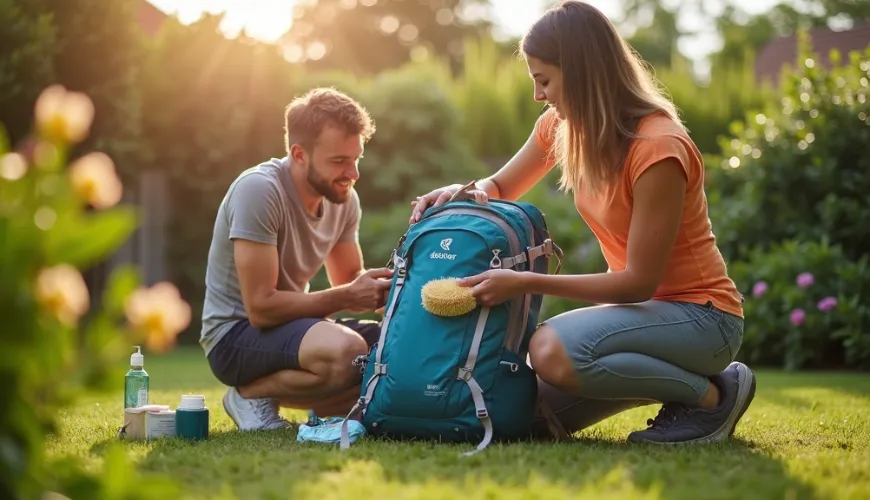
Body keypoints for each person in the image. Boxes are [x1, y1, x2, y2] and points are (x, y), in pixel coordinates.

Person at [409, 0, 755, 445]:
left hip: (702, 319)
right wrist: (458, 192)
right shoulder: (561, 126)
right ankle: (678, 387)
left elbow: (637, 283)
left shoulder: (658, 148)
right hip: (638, 319)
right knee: (522, 417)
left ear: (582, 71)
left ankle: (713, 397)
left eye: (544, 80)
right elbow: (499, 186)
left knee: (551, 349)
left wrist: (523, 283)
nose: (539, 95)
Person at [200, 87, 393, 431]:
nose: (353, 173)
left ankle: (329, 406)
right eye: (339, 161)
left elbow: (350, 277)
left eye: (356, 159)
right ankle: (250, 396)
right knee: (348, 351)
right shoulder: (259, 190)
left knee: (395, 350)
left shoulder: (344, 199)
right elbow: (260, 308)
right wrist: (349, 295)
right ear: (299, 154)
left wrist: (401, 291)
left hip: (292, 329)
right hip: (235, 335)